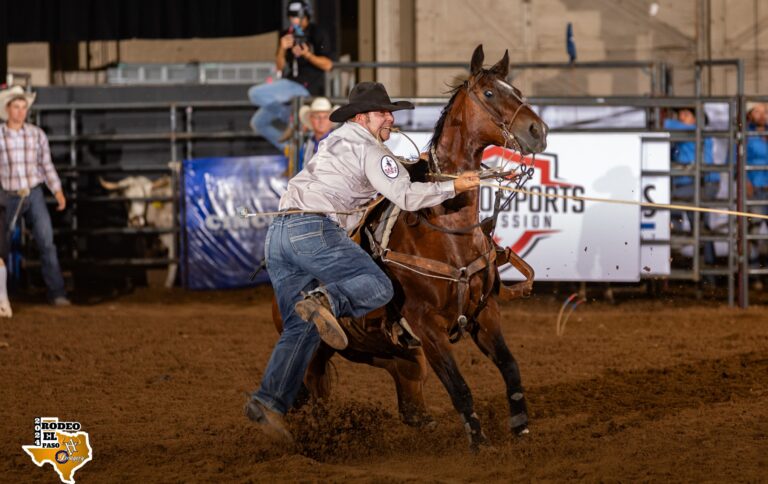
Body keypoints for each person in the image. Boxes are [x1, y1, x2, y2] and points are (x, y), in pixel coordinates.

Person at [244, 82, 481, 441]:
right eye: (383, 113)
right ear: (362, 117)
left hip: (278, 237)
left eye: (390, 113)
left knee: (300, 327)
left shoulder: (336, 141)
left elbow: (383, 172)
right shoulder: (371, 148)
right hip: (315, 230)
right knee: (377, 285)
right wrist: (455, 186)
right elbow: (403, 194)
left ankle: (267, 401)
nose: (390, 118)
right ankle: (324, 301)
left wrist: (407, 165)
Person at [0, 86, 70, 306]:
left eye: (23, 107)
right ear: (7, 109)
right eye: (16, 107)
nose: (21, 112)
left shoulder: (36, 134)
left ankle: (57, 292)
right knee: (1, 246)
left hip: (33, 192)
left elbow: (46, 165)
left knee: (46, 241)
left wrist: (57, 190)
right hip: (7, 194)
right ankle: (2, 295)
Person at [248, 1, 335, 152]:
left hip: (307, 86)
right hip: (289, 83)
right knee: (258, 123)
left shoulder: (317, 32)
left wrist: (307, 54)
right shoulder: (286, 34)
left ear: (306, 16)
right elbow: (279, 67)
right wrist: (282, 48)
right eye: (291, 17)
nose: (294, 20)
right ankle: (290, 148)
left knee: (254, 93)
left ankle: (291, 118)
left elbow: (328, 65)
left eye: (297, 16)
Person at [665, 107, 718, 273]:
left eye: (686, 114)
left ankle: (676, 244)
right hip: (691, 185)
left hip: (700, 184)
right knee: (701, 225)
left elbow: (665, 124)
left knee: (666, 203)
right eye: (680, 113)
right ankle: (708, 272)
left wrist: (657, 115)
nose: (681, 117)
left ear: (697, 119)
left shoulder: (695, 131)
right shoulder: (682, 136)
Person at [745, 102, 768, 284]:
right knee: (753, 231)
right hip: (756, 188)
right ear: (749, 114)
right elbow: (737, 159)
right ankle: (753, 274)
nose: (761, 115)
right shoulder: (746, 134)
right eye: (757, 111)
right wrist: (745, 180)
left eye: (764, 111)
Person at [297, 96, 338, 170]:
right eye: (317, 117)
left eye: (325, 117)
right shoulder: (307, 146)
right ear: (311, 119)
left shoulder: (340, 143)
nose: (321, 121)